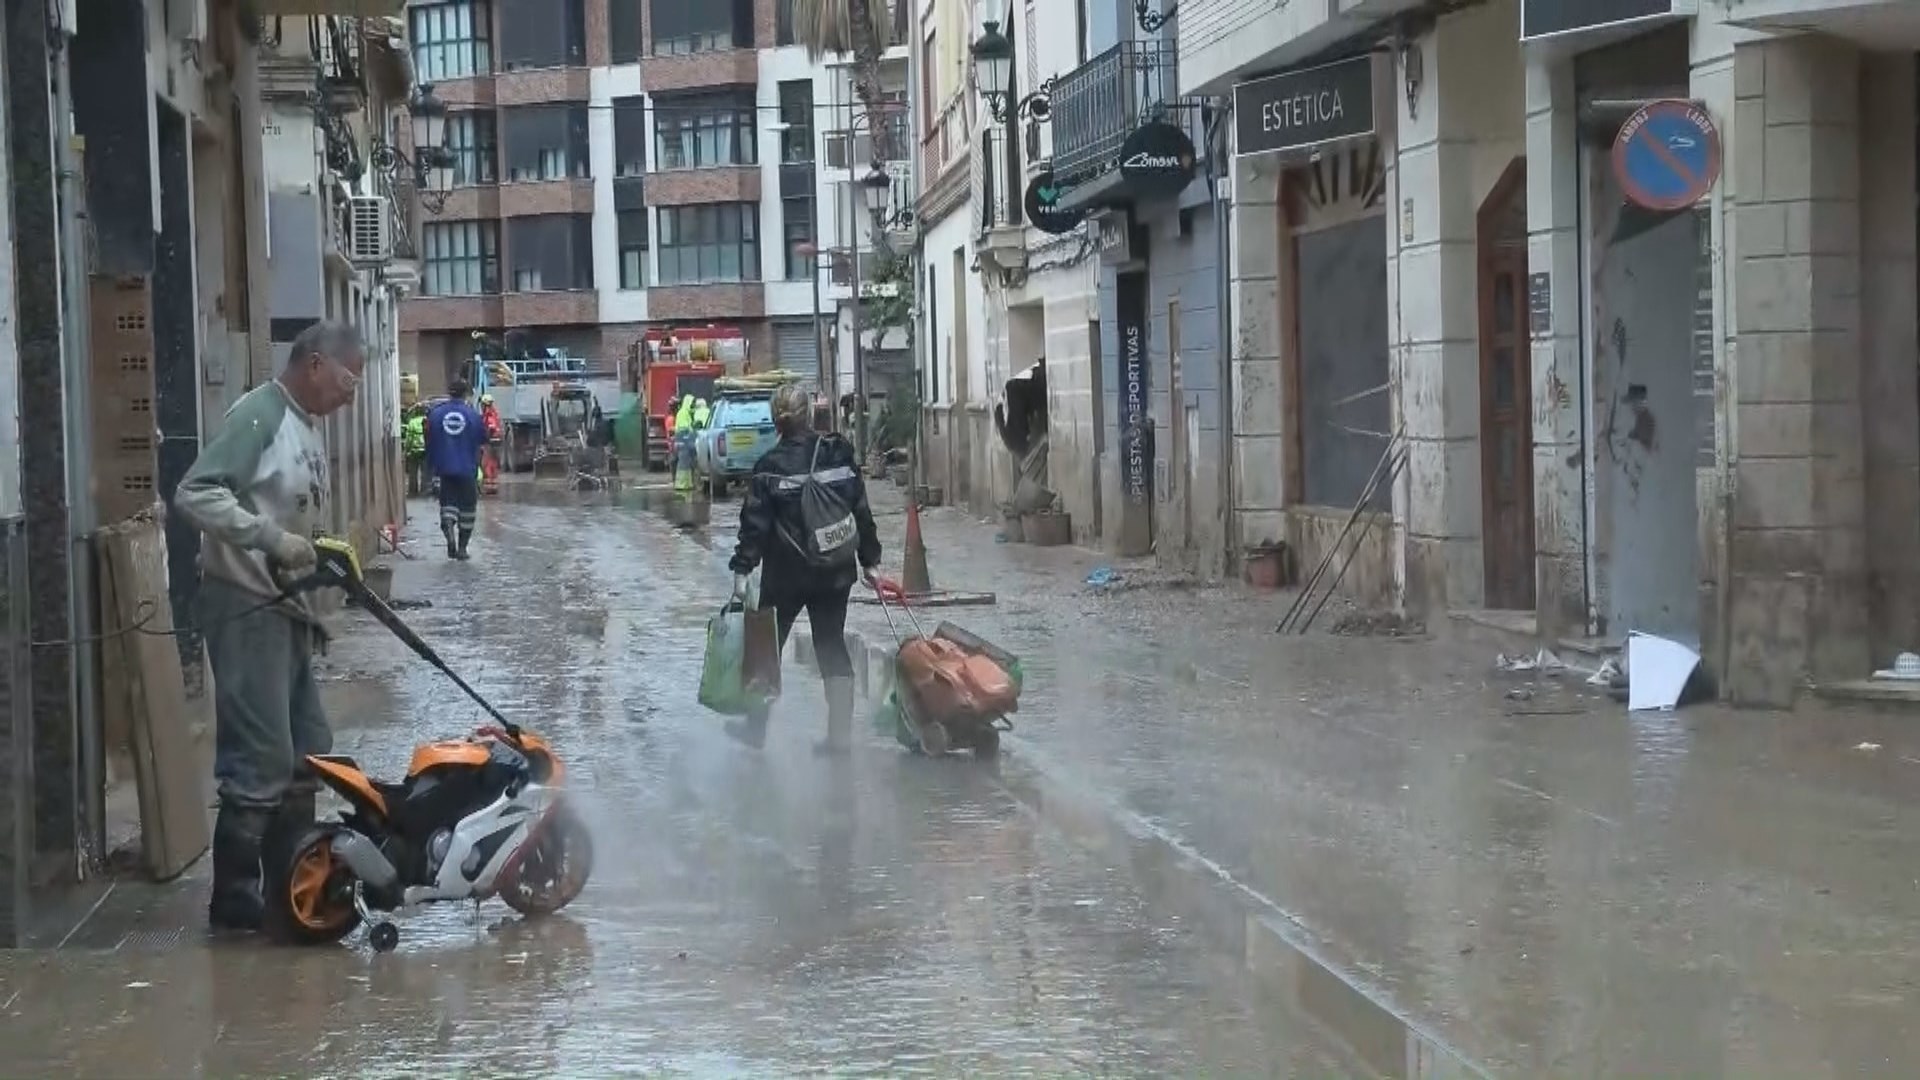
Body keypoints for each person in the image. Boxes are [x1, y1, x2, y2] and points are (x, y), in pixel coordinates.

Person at [174, 320, 366, 932]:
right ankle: (234, 895)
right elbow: (196, 493)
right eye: (346, 378)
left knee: (308, 744)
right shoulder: (260, 415)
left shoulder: (307, 426)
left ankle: (291, 874)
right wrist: (269, 538)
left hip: (289, 611)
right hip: (246, 604)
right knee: (261, 754)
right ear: (313, 364)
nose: (350, 394)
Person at [726, 383, 882, 754]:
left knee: (766, 649)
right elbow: (860, 510)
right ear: (808, 414)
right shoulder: (838, 453)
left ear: (776, 423)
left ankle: (756, 730)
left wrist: (742, 570)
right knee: (831, 644)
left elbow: (755, 527)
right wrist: (871, 561)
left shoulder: (769, 468)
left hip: (786, 576)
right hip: (836, 571)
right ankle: (840, 739)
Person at [426, 380, 488, 559]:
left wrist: (432, 467)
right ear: (465, 393)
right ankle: (462, 548)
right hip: (467, 469)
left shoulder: (435, 414)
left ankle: (449, 535)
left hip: (444, 469)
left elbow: (429, 441)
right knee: (468, 508)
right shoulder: (473, 415)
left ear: (449, 392)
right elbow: (483, 440)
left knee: (448, 504)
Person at [479, 392, 504, 492]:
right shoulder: (494, 413)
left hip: (490, 442)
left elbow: (491, 428)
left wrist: (484, 439)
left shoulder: (489, 415)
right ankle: (493, 485)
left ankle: (489, 486)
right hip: (496, 442)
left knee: (487, 463)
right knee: (493, 463)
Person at [673, 393, 698, 492]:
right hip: (683, 441)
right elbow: (684, 428)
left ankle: (687, 484)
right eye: (692, 404)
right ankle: (681, 484)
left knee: (686, 463)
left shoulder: (686, 413)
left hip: (684, 441)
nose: (693, 406)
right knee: (683, 464)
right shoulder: (683, 413)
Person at [402, 405, 427, 497]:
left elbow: (409, 437)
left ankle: (413, 491)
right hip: (425, 450)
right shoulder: (427, 420)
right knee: (425, 471)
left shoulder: (412, 422)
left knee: (413, 472)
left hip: (414, 450)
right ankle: (424, 490)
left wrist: (407, 449)